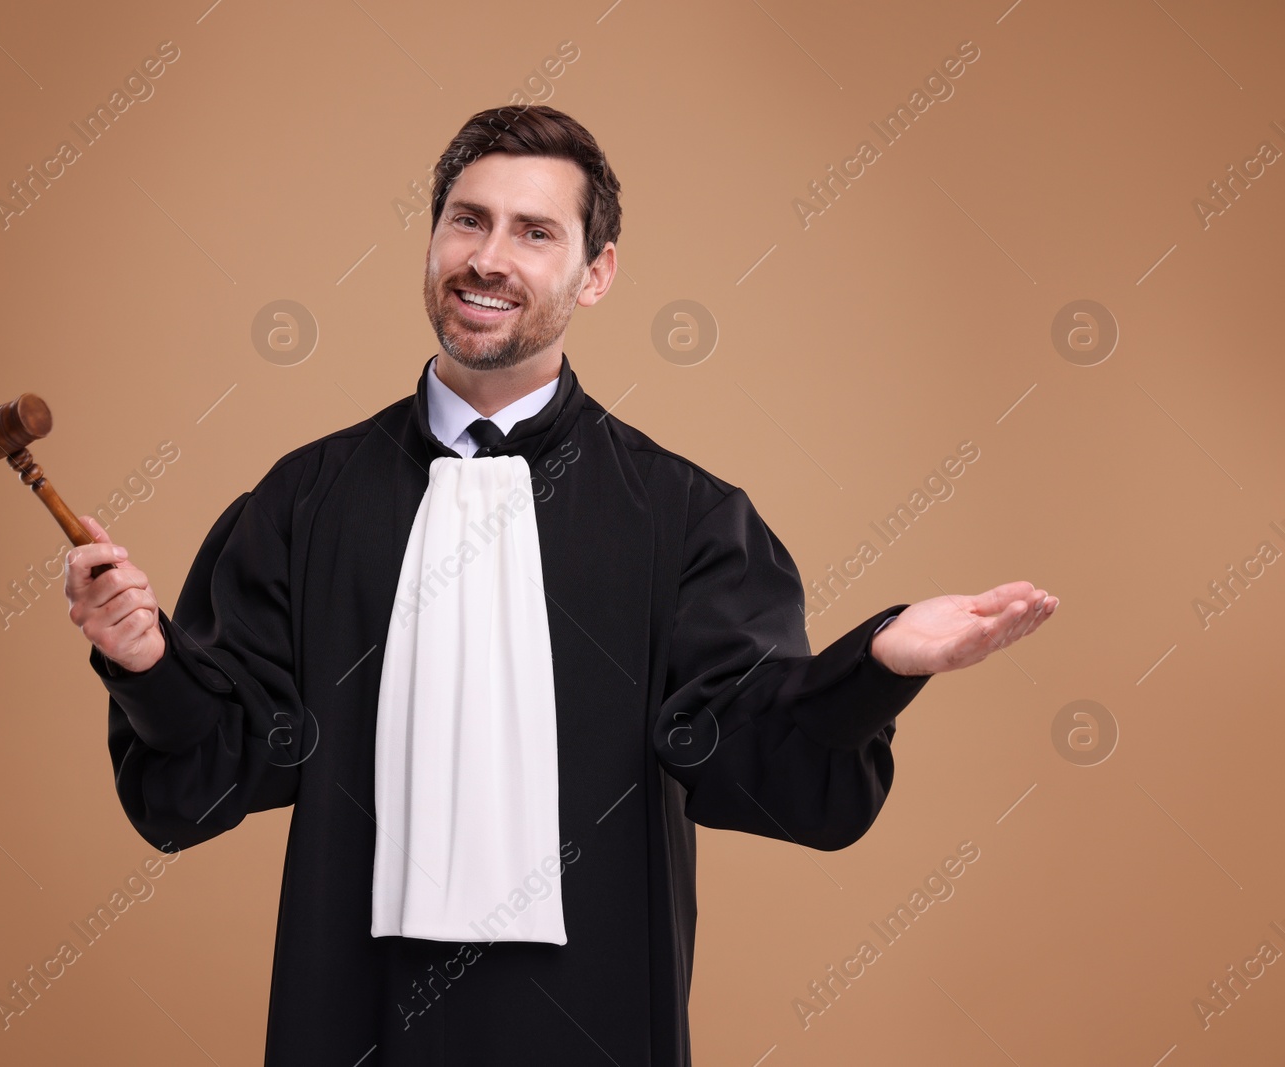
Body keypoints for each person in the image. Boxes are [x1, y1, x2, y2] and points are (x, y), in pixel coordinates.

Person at [63, 104, 1058, 1066]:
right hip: (355, 1005)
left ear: (596, 273)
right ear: (431, 241)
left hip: (597, 1007)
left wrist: (878, 660)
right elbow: (212, 773)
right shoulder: (304, 500)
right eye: (467, 220)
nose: (487, 258)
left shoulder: (687, 517)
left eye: (534, 232)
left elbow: (753, 750)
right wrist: (146, 660)